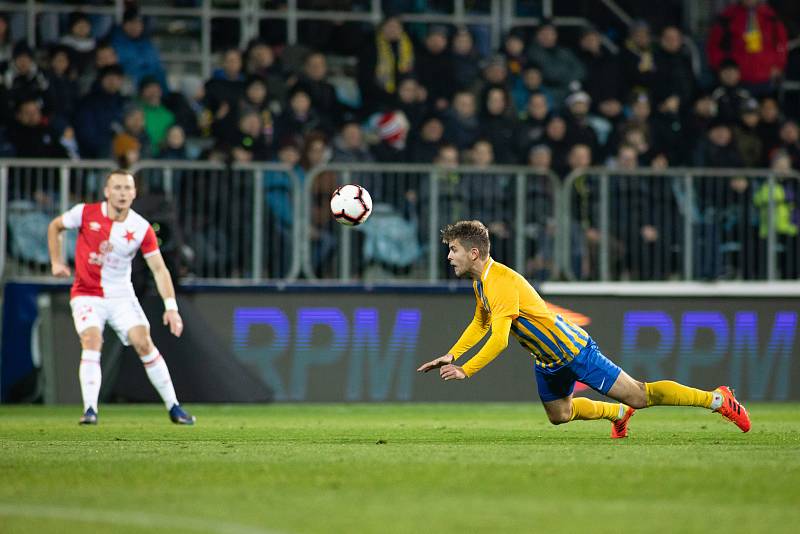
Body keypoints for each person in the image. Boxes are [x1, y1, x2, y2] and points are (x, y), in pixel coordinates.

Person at [417, 220, 751, 438]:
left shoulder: (501, 283)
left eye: (454, 250)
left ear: (474, 253)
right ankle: (617, 413)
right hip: (547, 359)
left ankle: (718, 399)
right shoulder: (482, 282)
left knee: (640, 394)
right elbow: (481, 323)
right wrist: (452, 354)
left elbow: (500, 339)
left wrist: (467, 370)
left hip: (573, 351)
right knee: (560, 415)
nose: (449, 256)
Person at [47, 170, 195, 426]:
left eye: (127, 188)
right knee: (92, 340)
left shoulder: (140, 228)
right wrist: (56, 262)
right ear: (106, 192)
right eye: (117, 188)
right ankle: (90, 410)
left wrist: (171, 308)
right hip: (87, 294)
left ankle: (174, 407)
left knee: (144, 343)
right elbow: (55, 226)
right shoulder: (84, 213)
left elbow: (159, 269)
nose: (122, 193)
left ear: (134, 193)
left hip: (121, 296)